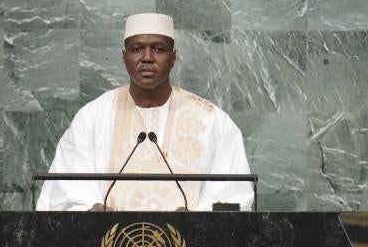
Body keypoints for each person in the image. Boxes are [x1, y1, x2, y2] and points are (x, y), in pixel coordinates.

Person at [36, 13, 253, 212]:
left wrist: (196, 223)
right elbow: (65, 192)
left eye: (158, 49)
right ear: (124, 57)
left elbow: (232, 197)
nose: (147, 57)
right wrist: (90, 212)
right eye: (137, 49)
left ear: (173, 57)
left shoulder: (212, 120)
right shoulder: (93, 116)